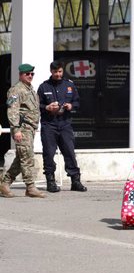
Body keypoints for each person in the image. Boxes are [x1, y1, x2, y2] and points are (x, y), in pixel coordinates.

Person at [36, 61, 87, 193]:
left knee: (69, 152)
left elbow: (77, 101)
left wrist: (71, 106)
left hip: (65, 124)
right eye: (55, 72)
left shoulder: (69, 85)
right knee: (48, 153)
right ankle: (50, 181)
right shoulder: (44, 87)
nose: (58, 74)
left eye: (60, 72)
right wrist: (47, 107)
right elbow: (37, 106)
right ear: (51, 71)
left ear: (62, 71)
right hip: (49, 125)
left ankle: (75, 181)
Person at [0, 64, 46, 198]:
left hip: (30, 128)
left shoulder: (30, 89)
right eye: (27, 74)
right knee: (27, 157)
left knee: (21, 158)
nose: (30, 76)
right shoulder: (16, 90)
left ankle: (5, 183)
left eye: (32, 74)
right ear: (21, 75)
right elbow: (13, 110)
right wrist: (16, 130)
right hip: (22, 128)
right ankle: (30, 187)